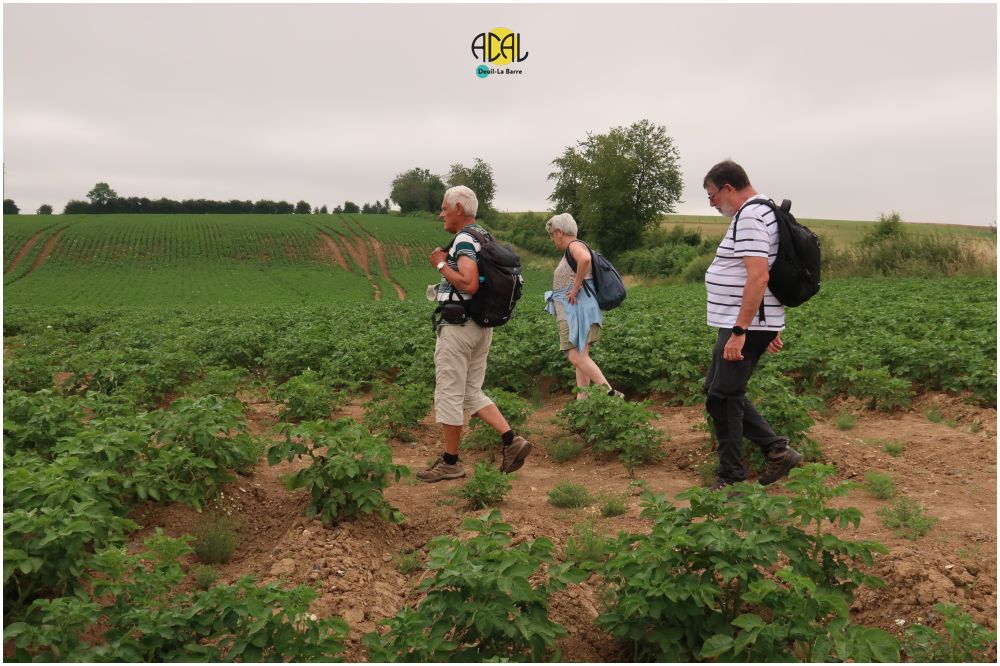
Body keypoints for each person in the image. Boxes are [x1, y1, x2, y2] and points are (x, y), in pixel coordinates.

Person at [417, 185, 532, 482]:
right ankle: (511, 440)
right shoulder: (483, 236)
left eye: (445, 208)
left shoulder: (464, 239)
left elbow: (468, 283)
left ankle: (451, 462)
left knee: (449, 393)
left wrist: (440, 264)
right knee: (471, 392)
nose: (441, 213)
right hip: (481, 326)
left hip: (459, 327)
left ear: (458, 208)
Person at [702, 160, 803, 489]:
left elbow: (759, 276)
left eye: (712, 195)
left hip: (743, 325)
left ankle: (732, 476)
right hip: (749, 322)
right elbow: (772, 269)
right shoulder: (766, 210)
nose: (712, 203)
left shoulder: (750, 216)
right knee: (716, 391)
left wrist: (741, 331)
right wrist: (769, 324)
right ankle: (776, 449)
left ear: (728, 188)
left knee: (725, 398)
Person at [543, 213, 623, 400]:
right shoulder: (575, 247)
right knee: (581, 358)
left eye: (552, 234)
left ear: (559, 232)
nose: (552, 239)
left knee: (575, 357)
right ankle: (583, 403)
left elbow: (585, 259)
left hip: (575, 311)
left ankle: (610, 393)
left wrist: (576, 287)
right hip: (581, 310)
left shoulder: (574, 246)